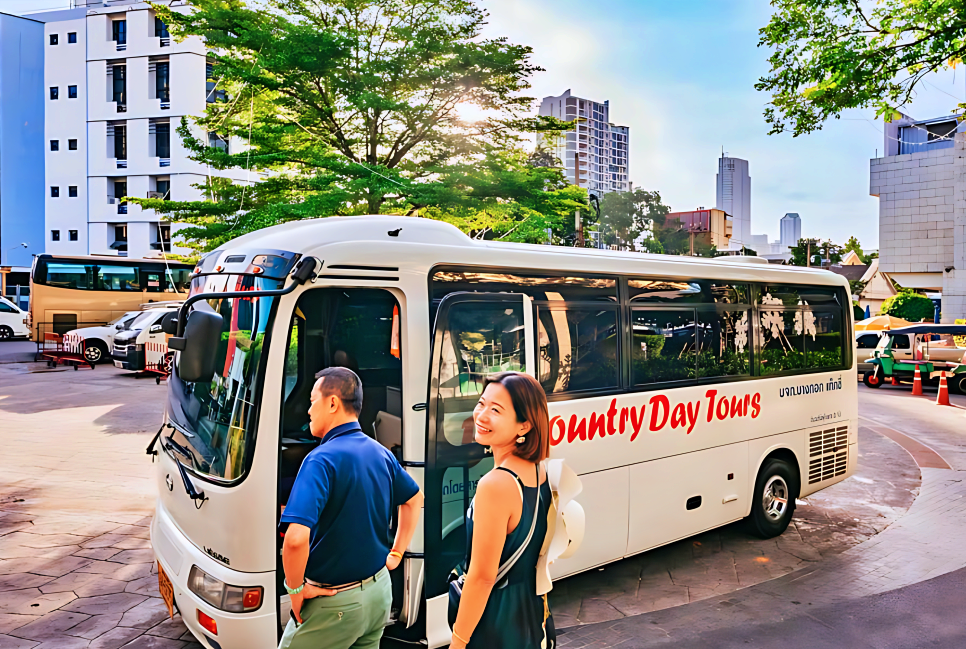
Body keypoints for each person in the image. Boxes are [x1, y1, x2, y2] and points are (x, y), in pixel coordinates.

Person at [278, 367, 423, 649]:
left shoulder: (319, 460)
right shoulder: (380, 452)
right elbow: (414, 498)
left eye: (312, 401)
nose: (308, 410)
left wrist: (295, 590)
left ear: (332, 403)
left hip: (335, 604)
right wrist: (396, 553)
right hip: (379, 593)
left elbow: (295, 540)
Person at [450, 372, 554, 649]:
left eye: (496, 410)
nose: (481, 416)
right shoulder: (538, 469)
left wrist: (458, 642)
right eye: (481, 404)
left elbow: (482, 578)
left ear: (524, 425)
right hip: (530, 613)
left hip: (497, 621)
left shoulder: (496, 484)